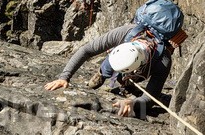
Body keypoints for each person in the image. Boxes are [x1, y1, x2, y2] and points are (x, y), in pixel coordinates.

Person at [44, 23, 172, 119]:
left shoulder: (163, 62)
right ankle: (101, 74)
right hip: (129, 58)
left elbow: (149, 98)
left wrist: (133, 103)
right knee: (107, 68)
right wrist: (64, 77)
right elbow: (86, 50)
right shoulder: (125, 33)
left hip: (141, 70)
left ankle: (126, 84)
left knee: (127, 79)